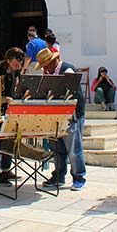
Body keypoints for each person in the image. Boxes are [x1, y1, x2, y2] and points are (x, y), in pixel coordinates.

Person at [37, 48, 87, 191]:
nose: (45, 69)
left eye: (46, 65)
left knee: (73, 148)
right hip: (56, 116)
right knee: (57, 148)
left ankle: (79, 177)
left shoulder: (68, 71)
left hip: (72, 115)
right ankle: (59, 176)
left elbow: (70, 94)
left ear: (53, 61)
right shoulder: (50, 73)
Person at [0, 47, 24, 185]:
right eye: (16, 62)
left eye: (20, 63)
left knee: (10, 140)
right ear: (8, 60)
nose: (18, 65)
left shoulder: (15, 72)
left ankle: (6, 169)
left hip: (9, 112)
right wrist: (5, 99)